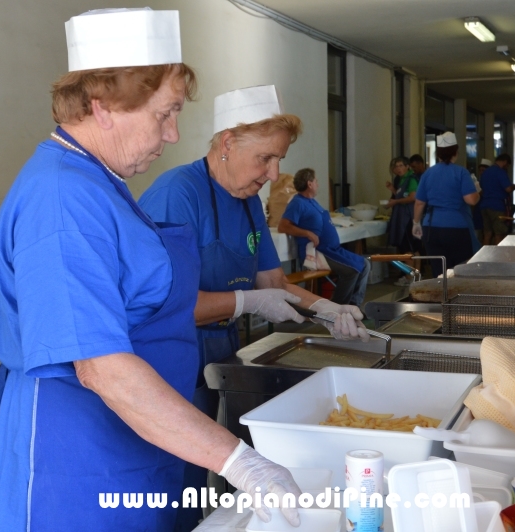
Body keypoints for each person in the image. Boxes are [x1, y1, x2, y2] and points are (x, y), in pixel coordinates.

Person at [0, 10, 302, 531]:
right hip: (79, 453)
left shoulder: (101, 183)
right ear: (103, 106)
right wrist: (240, 462)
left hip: (136, 434)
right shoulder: (62, 197)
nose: (173, 135)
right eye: (164, 114)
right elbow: (101, 367)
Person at [138, 85, 369, 530]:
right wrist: (246, 301)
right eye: (265, 158)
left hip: (217, 357)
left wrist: (326, 307)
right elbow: (163, 307)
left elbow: (274, 283)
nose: (274, 172)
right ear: (227, 143)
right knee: (163, 483)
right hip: (168, 361)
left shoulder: (247, 205)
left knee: (200, 478)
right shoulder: (177, 194)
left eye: (279, 159)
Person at [278, 168, 370, 306]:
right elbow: (283, 226)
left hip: (332, 249)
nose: (318, 184)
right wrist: (307, 233)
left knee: (365, 265)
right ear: (309, 184)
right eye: (316, 181)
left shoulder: (313, 201)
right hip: (319, 252)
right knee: (351, 271)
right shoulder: (297, 203)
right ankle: (337, 309)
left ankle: (353, 305)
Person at [412, 131, 481, 276]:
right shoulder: (461, 173)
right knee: (459, 270)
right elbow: (471, 200)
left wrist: (416, 223)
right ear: (456, 152)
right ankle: (457, 297)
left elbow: (419, 203)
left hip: (431, 228)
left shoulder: (428, 173)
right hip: (457, 228)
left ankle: (441, 296)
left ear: (438, 154)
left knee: (439, 270)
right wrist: (477, 191)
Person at [385, 156, 421, 285]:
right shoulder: (400, 180)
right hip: (405, 216)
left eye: (401, 165)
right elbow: (402, 194)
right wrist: (393, 190)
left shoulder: (411, 179)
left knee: (409, 249)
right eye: (396, 166)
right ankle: (416, 276)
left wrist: (395, 201)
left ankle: (409, 278)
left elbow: (413, 197)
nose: (398, 169)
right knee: (414, 248)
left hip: (408, 217)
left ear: (407, 166)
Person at [479, 154, 515, 245]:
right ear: (505, 162)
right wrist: (514, 186)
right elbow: (508, 188)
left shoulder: (485, 173)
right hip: (497, 206)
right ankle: (497, 258)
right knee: (499, 233)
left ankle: (485, 256)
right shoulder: (500, 172)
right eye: (507, 165)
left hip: (484, 205)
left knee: (487, 233)